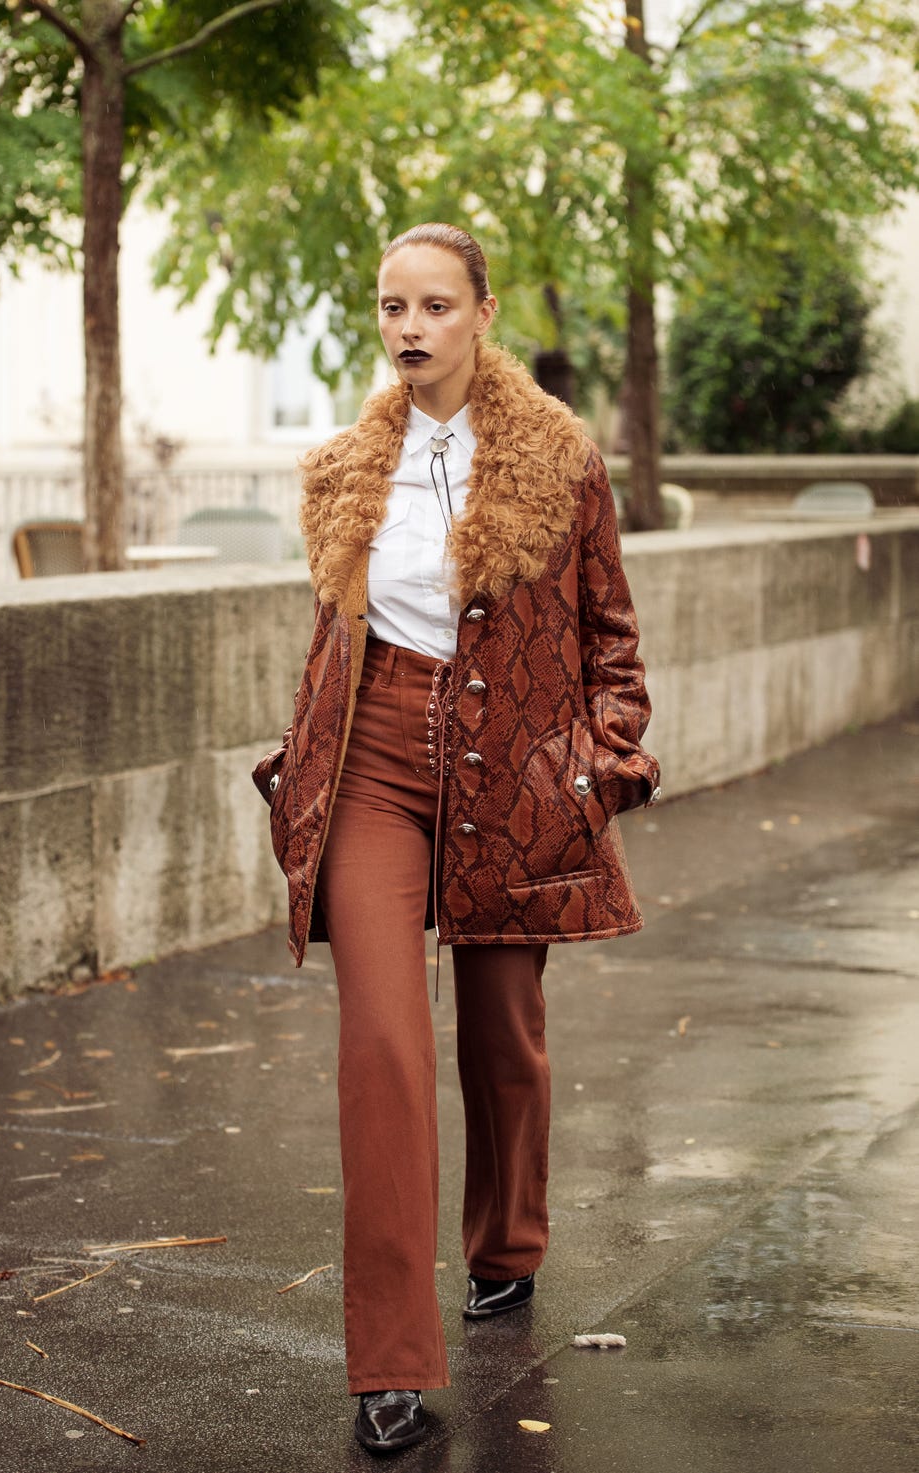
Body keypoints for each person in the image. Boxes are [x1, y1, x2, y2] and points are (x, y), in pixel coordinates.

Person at [254, 222, 660, 1455]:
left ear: (482, 314)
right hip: (375, 754)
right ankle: (387, 1362)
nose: (410, 327)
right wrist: (303, 749)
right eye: (390, 307)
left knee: (503, 1034)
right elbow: (334, 636)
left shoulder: (559, 460)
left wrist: (595, 754)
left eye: (434, 304)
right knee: (381, 1038)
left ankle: (507, 1243)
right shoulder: (341, 468)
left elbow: (611, 640)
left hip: (512, 764)